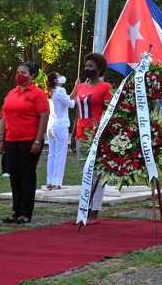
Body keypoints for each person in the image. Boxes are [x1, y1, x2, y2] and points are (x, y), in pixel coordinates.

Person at [0, 62, 49, 224]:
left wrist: (38, 140)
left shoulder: (37, 93)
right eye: (18, 71)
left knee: (27, 175)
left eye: (23, 72)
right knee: (15, 176)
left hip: (29, 140)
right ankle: (16, 211)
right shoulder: (11, 93)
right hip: (11, 140)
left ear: (32, 76)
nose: (19, 75)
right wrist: (1, 139)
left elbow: (44, 117)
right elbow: (4, 116)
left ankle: (26, 212)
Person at [70, 52, 112, 224]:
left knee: (96, 173)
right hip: (81, 133)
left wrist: (106, 134)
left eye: (91, 67)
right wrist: (72, 135)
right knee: (84, 172)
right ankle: (84, 208)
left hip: (96, 134)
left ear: (99, 69)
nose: (87, 69)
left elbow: (110, 112)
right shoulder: (80, 87)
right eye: (86, 66)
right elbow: (78, 113)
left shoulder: (105, 87)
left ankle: (95, 209)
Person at [45, 72, 74, 190]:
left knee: (52, 154)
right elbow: (71, 103)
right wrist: (78, 91)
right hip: (60, 126)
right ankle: (56, 182)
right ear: (56, 81)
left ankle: (50, 181)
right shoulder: (60, 90)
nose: (61, 76)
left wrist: (75, 90)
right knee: (60, 155)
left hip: (51, 126)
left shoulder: (51, 92)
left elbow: (68, 99)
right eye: (58, 76)